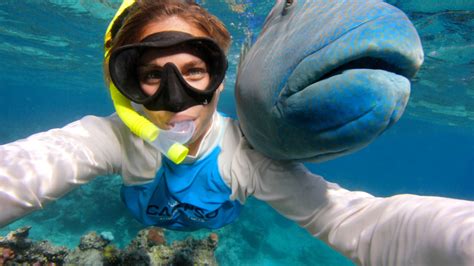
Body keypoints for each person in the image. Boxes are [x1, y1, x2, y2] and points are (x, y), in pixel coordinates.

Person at [0, 0, 472, 265]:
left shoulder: (246, 156)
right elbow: (29, 167)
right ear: (125, 89)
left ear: (219, 80)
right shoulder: (110, 139)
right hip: (149, 220)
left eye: (193, 71)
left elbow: (362, 222)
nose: (175, 96)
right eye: (150, 75)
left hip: (211, 223)